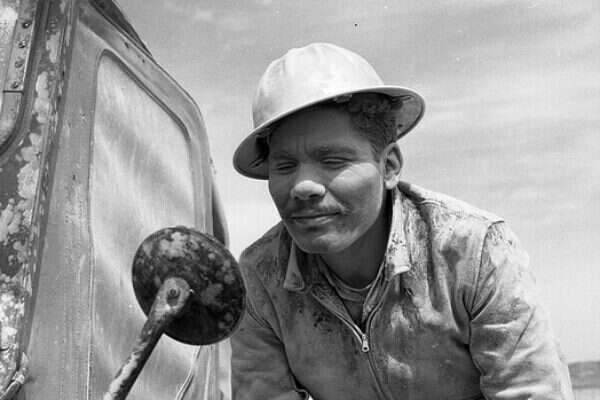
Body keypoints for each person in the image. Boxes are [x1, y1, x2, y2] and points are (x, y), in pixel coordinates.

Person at [230, 42, 573, 400]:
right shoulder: (261, 278)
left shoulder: (473, 251)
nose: (303, 187)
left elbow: (531, 391)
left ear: (390, 166)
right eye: (284, 166)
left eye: (333, 161)